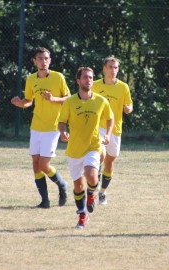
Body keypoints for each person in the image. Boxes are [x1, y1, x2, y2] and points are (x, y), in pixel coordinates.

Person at [11, 47, 70, 208]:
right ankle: (44, 201)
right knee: (35, 164)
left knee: (44, 165)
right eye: (40, 58)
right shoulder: (31, 79)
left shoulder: (58, 77)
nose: (43, 61)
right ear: (34, 61)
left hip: (52, 127)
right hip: (36, 126)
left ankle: (62, 184)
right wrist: (19, 103)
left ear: (50, 60)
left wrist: (53, 99)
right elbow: (28, 101)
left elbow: (68, 99)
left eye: (46, 58)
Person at [58, 67, 114, 228]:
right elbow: (61, 121)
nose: (88, 80)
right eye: (85, 77)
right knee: (78, 186)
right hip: (74, 149)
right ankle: (83, 215)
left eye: (90, 77)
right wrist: (63, 132)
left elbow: (110, 119)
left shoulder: (100, 101)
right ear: (78, 81)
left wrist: (108, 134)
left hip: (93, 145)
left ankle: (91, 194)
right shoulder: (69, 102)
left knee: (91, 176)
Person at [92, 56, 133, 205]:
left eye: (115, 68)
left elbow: (129, 104)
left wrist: (128, 109)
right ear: (104, 68)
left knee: (110, 162)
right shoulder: (94, 86)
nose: (113, 70)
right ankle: (92, 188)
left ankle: (102, 192)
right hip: (99, 127)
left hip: (115, 129)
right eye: (110, 67)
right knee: (100, 155)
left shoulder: (123, 87)